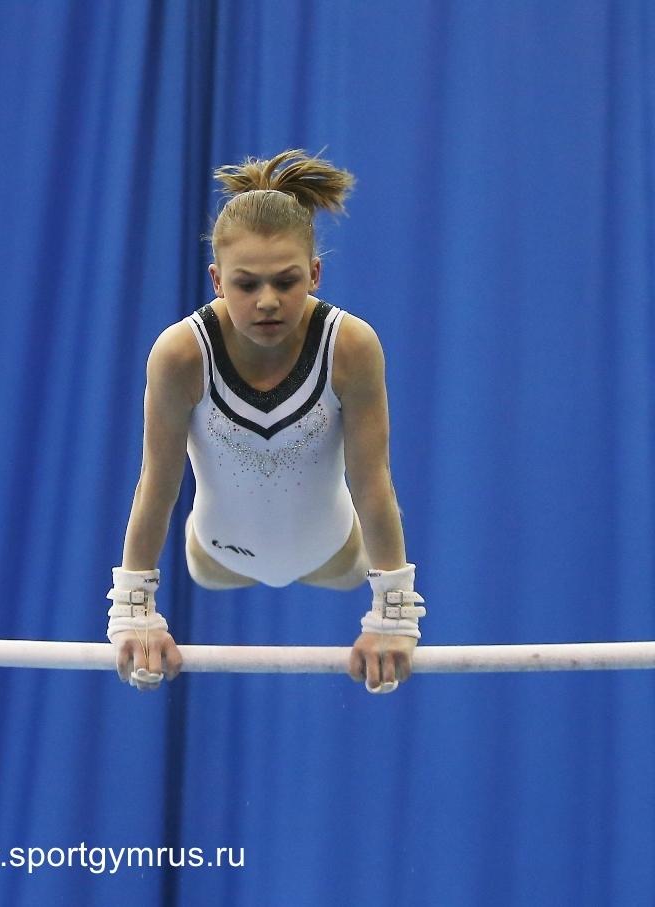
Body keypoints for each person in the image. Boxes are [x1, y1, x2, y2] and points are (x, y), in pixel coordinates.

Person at [105, 149, 425, 695]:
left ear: (315, 274)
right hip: (217, 555)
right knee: (184, 514)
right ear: (217, 280)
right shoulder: (182, 354)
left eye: (286, 281)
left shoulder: (349, 346)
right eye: (247, 284)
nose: (268, 301)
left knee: (363, 526)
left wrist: (392, 617)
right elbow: (157, 483)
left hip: (334, 553)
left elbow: (373, 482)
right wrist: (135, 614)